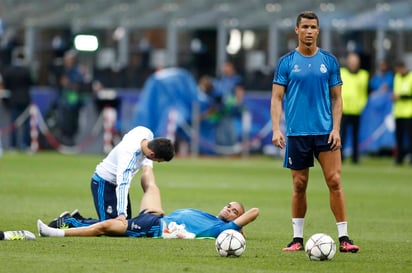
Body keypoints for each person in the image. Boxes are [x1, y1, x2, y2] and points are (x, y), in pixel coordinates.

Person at [270, 11, 359, 253]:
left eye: (313, 27)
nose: (309, 31)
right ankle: (297, 239)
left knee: (335, 181)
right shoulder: (286, 62)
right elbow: (277, 98)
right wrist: (276, 128)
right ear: (297, 30)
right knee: (299, 184)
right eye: (305, 27)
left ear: (318, 31)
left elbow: (337, 99)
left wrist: (336, 129)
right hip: (297, 133)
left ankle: (344, 238)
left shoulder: (329, 61)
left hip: (325, 133)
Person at [37, 171, 259, 239]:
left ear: (236, 220)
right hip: (158, 217)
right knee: (152, 187)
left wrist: (238, 226)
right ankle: (146, 160)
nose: (229, 210)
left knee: (107, 227)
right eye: (229, 206)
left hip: (153, 228)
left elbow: (254, 212)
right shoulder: (211, 218)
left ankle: (60, 228)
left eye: (234, 212)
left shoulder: (222, 229)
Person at [340, 52, 369, 164]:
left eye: (355, 62)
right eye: (351, 62)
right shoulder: (342, 73)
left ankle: (355, 158)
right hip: (344, 110)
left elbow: (364, 93)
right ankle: (340, 157)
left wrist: (361, 104)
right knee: (342, 134)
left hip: (357, 110)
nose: (353, 64)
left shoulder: (363, 75)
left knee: (356, 135)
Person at [1, 52, 33, 151]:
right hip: (24, 100)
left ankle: (12, 146)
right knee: (26, 125)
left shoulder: (9, 70)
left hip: (13, 100)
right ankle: (26, 145)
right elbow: (32, 82)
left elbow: (5, 84)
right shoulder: (26, 71)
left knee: (13, 124)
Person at [213, 61, 245, 150]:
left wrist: (238, 103)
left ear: (231, 67)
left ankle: (232, 149)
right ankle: (223, 149)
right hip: (221, 109)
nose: (223, 69)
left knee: (230, 129)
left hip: (232, 109)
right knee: (221, 131)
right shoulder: (222, 79)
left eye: (225, 67)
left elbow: (239, 92)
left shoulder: (236, 79)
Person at [392, 60, 412, 166]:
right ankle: (399, 159)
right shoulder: (397, 77)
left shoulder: (411, 77)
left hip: (409, 113)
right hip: (398, 113)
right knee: (399, 138)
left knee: (410, 138)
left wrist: (401, 97)